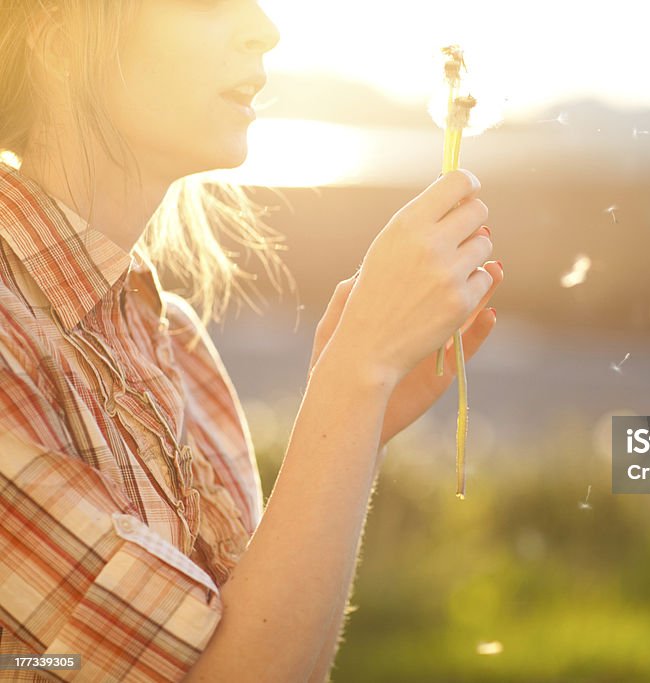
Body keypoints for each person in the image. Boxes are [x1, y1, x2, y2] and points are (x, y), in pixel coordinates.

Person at [0, 1, 503, 681]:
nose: (264, 27)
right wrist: (354, 374)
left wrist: (360, 420)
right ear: (57, 37)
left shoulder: (175, 345)